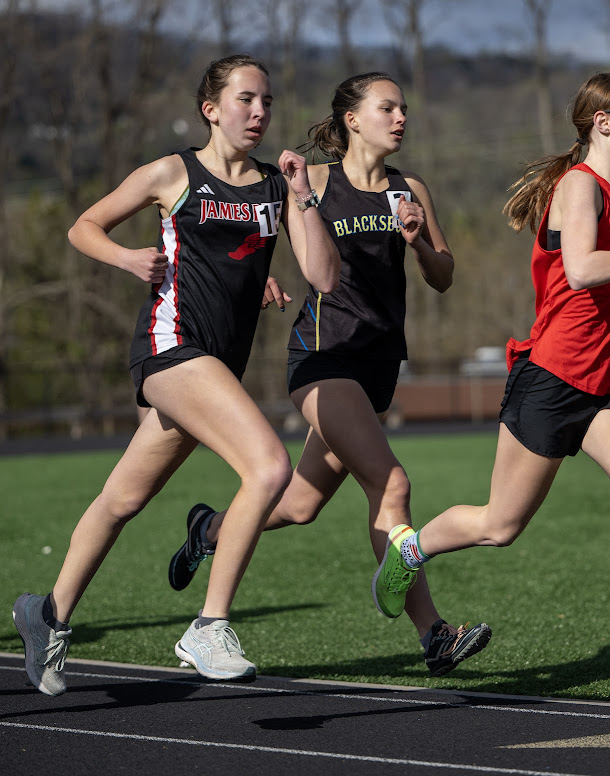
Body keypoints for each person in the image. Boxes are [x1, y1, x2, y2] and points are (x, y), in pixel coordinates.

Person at [12, 53, 340, 696]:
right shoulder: (173, 172)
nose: (259, 111)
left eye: (267, 101)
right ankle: (210, 625)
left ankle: (47, 614)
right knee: (269, 466)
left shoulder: (277, 186)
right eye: (245, 99)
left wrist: (302, 197)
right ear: (210, 110)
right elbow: (83, 227)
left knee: (123, 500)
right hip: (171, 349)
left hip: (216, 365)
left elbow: (324, 277)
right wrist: (128, 258)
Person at [168, 72, 492, 677]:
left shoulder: (410, 188)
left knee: (299, 505)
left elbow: (443, 276)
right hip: (323, 360)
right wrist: (257, 276)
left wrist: (419, 243)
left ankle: (207, 529)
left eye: (403, 108)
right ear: (352, 119)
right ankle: (434, 635)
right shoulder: (313, 182)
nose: (400, 118)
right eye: (387, 108)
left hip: (379, 366)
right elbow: (243, 232)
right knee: (391, 485)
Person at [372, 72, 610, 612]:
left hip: (600, 381)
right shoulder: (581, 185)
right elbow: (580, 269)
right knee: (499, 525)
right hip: (554, 378)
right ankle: (409, 550)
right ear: (603, 122)